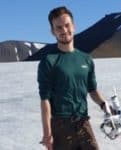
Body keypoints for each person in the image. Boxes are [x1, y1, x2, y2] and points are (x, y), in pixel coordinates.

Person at [37, 6, 110, 150]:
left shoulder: (86, 59)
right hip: (60, 126)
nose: (64, 30)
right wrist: (47, 134)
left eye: (67, 25)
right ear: (53, 31)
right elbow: (45, 100)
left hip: (83, 122)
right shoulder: (49, 61)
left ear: (74, 26)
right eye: (58, 27)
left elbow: (92, 90)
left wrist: (104, 105)